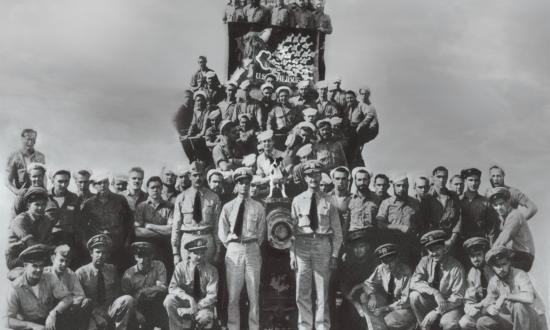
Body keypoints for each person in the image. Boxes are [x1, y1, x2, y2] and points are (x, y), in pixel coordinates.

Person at [290, 160, 343, 330]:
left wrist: (334, 255)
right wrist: (292, 254)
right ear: (305, 178)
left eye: (316, 174)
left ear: (321, 176)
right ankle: (304, 327)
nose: (313, 178)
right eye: (309, 175)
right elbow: (291, 232)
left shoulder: (330, 200)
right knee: (302, 292)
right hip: (302, 246)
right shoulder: (297, 200)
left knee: (322, 293)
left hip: (322, 245)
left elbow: (337, 232)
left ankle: (322, 327)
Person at [218, 167, 266, 330]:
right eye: (240, 183)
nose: (244, 186)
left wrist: (250, 245)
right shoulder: (228, 207)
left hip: (252, 248)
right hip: (234, 250)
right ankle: (233, 327)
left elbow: (261, 233)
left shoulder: (258, 207)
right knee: (233, 295)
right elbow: (222, 233)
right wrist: (233, 245)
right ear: (236, 185)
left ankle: (254, 327)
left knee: (254, 295)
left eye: (247, 183)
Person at [76, 234, 139, 330]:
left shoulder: (112, 269)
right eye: (97, 252)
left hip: (109, 309)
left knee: (127, 299)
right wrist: (96, 316)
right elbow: (81, 301)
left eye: (104, 253)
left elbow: (118, 293)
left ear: (108, 255)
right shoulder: (81, 273)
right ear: (91, 253)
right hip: (92, 313)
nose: (100, 256)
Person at [476, 246, 547, 330]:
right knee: (482, 321)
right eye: (497, 266)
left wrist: (506, 295)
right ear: (492, 267)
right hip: (515, 321)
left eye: (504, 264)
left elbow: (529, 297)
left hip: (535, 321)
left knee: (518, 305)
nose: (501, 269)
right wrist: (488, 309)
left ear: (509, 262)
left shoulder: (519, 274)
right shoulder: (493, 282)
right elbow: (487, 304)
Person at [7, 244, 74, 330]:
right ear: (25, 266)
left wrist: (53, 313)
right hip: (29, 325)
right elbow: (7, 319)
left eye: (41, 265)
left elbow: (68, 297)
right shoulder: (15, 287)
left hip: (49, 322)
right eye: (35, 266)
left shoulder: (50, 277)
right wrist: (31, 326)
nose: (39, 270)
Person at [409, 230, 466, 330]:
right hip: (434, 301)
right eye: (430, 250)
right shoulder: (425, 261)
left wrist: (437, 311)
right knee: (414, 296)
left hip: (451, 306)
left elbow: (458, 298)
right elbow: (414, 282)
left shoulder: (456, 266)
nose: (434, 253)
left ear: (444, 248)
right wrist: (435, 293)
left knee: (448, 323)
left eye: (437, 248)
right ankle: (424, 327)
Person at [355, 243, 416, 330]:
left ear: (396, 259)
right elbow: (367, 283)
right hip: (389, 304)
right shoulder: (381, 269)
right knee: (364, 297)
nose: (388, 265)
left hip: (405, 308)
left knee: (388, 321)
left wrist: (385, 309)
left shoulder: (405, 272)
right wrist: (372, 296)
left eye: (391, 261)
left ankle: (411, 326)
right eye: (384, 262)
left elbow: (405, 301)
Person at [172, 161, 222, 265]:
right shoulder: (181, 198)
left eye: (200, 175)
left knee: (206, 275)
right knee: (188, 276)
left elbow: (217, 226)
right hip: (188, 239)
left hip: (207, 239)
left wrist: (218, 250)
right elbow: (176, 226)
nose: (198, 178)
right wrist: (175, 253)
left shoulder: (213, 198)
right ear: (189, 176)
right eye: (195, 175)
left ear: (204, 176)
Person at [81, 173, 134, 271]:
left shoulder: (120, 200)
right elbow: (82, 226)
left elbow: (129, 222)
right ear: (94, 186)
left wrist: (127, 242)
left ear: (109, 183)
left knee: (117, 273)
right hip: (99, 247)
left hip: (118, 245)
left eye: (105, 182)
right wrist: (87, 245)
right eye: (99, 183)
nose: (102, 185)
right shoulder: (89, 203)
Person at [164, 238, 219, 330]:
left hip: (203, 305)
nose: (200, 256)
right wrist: (189, 298)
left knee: (205, 317)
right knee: (169, 300)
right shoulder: (180, 267)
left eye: (202, 252)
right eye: (196, 253)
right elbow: (172, 288)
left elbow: (212, 295)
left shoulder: (212, 270)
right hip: (185, 303)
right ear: (189, 253)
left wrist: (195, 307)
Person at [333, 229, 376, 330]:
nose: (358, 250)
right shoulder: (348, 263)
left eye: (361, 246)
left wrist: (358, 286)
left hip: (371, 296)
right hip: (352, 299)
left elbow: (375, 282)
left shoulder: (373, 261)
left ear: (367, 247)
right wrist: (355, 304)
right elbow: (344, 287)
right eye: (355, 247)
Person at [376, 173, 421, 267]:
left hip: (410, 244)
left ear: (408, 186)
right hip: (392, 243)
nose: (401, 189)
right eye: (398, 186)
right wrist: (399, 227)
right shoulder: (386, 203)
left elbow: (419, 223)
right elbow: (380, 224)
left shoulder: (415, 203)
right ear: (393, 187)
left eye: (404, 186)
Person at [487, 187, 535, 272]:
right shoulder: (504, 218)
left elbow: (504, 238)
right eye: (495, 205)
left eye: (501, 204)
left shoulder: (514, 215)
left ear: (508, 202)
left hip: (523, 256)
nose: (499, 208)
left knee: (494, 269)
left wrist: (487, 256)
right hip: (516, 254)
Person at [122, 242, 168, 330]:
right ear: (135, 257)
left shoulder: (159, 266)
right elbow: (127, 298)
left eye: (146, 256)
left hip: (156, 304)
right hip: (138, 306)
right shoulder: (128, 274)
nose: (142, 260)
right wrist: (136, 313)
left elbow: (163, 288)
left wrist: (144, 291)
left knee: (162, 297)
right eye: (140, 256)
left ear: (151, 256)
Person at [45, 244, 93, 330]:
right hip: (46, 311)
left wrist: (71, 301)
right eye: (61, 260)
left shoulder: (70, 274)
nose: (63, 264)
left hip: (63, 311)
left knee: (87, 302)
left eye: (67, 261)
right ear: (52, 259)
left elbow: (80, 296)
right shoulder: (44, 273)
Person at [134, 176, 174, 276]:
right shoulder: (141, 206)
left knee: (164, 274)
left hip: (164, 248)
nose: (155, 190)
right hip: (146, 249)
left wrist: (150, 226)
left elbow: (171, 230)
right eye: (152, 187)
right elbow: (137, 231)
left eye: (158, 187)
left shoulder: (170, 206)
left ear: (162, 189)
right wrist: (162, 231)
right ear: (147, 189)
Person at [46, 169, 85, 267]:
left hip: (69, 240)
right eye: (60, 181)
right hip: (49, 240)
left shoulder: (74, 198)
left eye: (66, 181)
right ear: (52, 181)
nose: (63, 185)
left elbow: (78, 222)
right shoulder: (44, 197)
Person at [7, 187, 53, 270]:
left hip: (38, 257)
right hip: (18, 259)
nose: (40, 208)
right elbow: (31, 246)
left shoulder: (46, 220)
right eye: (37, 204)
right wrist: (53, 248)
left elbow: (48, 242)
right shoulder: (20, 220)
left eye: (43, 204)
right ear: (28, 205)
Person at [423, 166, 463, 254]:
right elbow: (422, 223)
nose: (442, 180)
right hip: (431, 241)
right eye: (439, 177)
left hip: (450, 240)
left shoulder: (453, 196)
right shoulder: (426, 198)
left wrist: (452, 240)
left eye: (444, 177)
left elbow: (458, 219)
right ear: (433, 178)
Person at [458, 237, 495, 330]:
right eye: (472, 256)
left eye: (478, 255)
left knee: (483, 322)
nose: (475, 259)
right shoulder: (472, 273)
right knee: (464, 322)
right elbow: (468, 299)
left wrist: (485, 306)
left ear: (485, 254)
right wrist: (472, 310)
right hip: (481, 310)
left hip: (496, 307)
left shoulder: (494, 269)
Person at [459, 168, 499, 243]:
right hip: (460, 244)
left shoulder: (486, 203)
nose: (474, 183)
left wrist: (491, 247)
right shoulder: (458, 201)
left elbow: (492, 229)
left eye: (476, 180)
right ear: (465, 181)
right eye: (470, 180)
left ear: (480, 182)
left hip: (479, 244)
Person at [6, 128, 46, 195]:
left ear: (35, 141)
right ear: (22, 139)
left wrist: (45, 191)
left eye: (32, 140)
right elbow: (7, 181)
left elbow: (44, 177)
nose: (30, 142)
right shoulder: (14, 157)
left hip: (38, 195)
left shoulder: (40, 157)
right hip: (23, 196)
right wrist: (17, 191)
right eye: (28, 139)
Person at [346, 89, 379, 166]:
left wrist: (361, 125)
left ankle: (359, 165)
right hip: (350, 130)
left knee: (355, 150)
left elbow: (370, 114)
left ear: (355, 97)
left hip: (358, 131)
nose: (349, 100)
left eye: (351, 98)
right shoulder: (348, 107)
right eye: (347, 98)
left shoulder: (361, 105)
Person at [347, 167, 379, 237]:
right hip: (353, 237)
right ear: (355, 181)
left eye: (365, 180)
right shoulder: (349, 199)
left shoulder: (377, 199)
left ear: (369, 181)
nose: (362, 182)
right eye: (359, 180)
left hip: (371, 236)